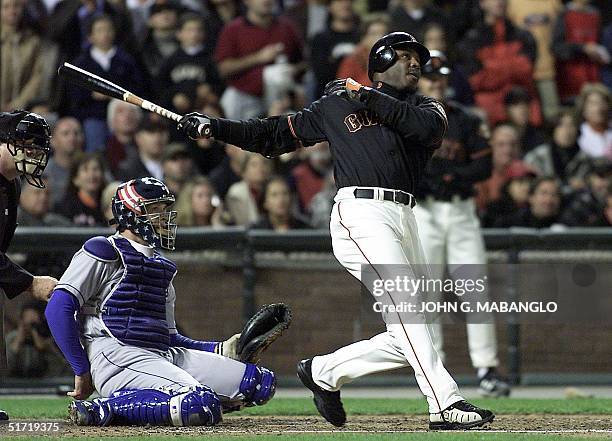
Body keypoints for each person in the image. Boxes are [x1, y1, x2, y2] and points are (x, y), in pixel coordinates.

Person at [179, 31, 495, 430]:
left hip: (407, 216)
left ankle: (324, 371)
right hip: (360, 212)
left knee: (412, 329)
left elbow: (423, 129)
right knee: (410, 312)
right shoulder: (336, 104)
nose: (416, 64)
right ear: (380, 60)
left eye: (419, 58)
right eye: (405, 56)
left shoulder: (427, 107)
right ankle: (445, 403)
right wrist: (216, 127)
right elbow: (272, 135)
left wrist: (363, 95)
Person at [45, 177, 276, 426]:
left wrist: (222, 349)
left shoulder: (161, 266)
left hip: (161, 354)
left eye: (165, 210)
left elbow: (170, 338)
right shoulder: (103, 250)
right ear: (129, 214)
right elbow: (58, 308)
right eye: (154, 211)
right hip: (115, 354)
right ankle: (102, 409)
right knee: (198, 402)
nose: (164, 217)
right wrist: (81, 368)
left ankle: (167, 402)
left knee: (259, 383)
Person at [413, 52, 510, 398]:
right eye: (430, 78)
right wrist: (432, 180)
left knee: (476, 291)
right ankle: (433, 370)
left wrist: (450, 175)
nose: (436, 83)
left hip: (460, 211)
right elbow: (404, 169)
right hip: (423, 211)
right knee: (427, 294)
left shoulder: (463, 120)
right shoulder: (407, 118)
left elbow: (483, 168)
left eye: (440, 78)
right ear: (418, 81)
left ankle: (486, 368)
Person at [0, 110, 59, 421]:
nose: (34, 155)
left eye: (38, 149)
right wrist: (29, 281)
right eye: (28, 147)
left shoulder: (11, 185)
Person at [214, 0, 303, 119]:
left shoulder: (286, 27)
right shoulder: (233, 29)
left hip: (280, 96)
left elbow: (303, 63)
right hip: (243, 94)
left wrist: (293, 70)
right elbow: (222, 69)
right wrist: (258, 57)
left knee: (279, 74)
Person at [54, 153, 107, 226]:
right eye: (85, 169)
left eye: (95, 169)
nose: (92, 174)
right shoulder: (66, 207)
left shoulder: (107, 205)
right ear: (75, 179)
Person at [43, 117, 84, 207]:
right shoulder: (44, 172)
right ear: (52, 141)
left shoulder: (90, 169)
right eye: (66, 133)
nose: (72, 138)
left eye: (76, 133)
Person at [494, 176, 561, 227]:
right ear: (531, 197)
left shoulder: (565, 224)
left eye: (554, 194)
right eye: (543, 193)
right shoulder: (508, 224)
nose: (549, 199)